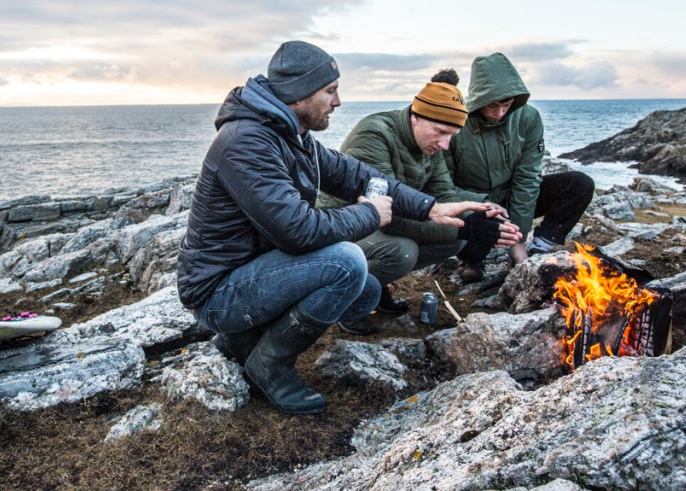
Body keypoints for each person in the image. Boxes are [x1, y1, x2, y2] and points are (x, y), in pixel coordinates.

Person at [176, 41, 499, 416]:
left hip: (250, 274)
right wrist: (369, 215)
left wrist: (430, 207)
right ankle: (270, 364)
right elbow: (298, 231)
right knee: (346, 262)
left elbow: (358, 175)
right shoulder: (246, 142)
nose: (338, 101)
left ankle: (242, 339)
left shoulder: (292, 137)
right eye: (330, 91)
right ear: (299, 93)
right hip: (217, 292)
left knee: (365, 292)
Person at [319, 77, 520, 334]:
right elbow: (387, 218)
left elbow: (444, 195)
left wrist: (481, 213)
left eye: (452, 136)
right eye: (441, 132)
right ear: (416, 117)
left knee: (453, 241)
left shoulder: (429, 146)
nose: (445, 144)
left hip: (381, 221)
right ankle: (346, 300)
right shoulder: (374, 135)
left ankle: (376, 286)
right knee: (400, 251)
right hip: (340, 223)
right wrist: (465, 228)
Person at [439, 53, 595, 283]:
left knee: (579, 184)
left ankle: (539, 248)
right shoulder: (454, 122)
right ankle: (471, 259)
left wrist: (518, 239)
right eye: (492, 105)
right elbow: (443, 184)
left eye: (507, 105)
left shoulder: (528, 118)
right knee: (474, 251)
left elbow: (528, 176)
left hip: (511, 197)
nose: (500, 113)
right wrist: (479, 204)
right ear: (479, 98)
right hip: (476, 204)